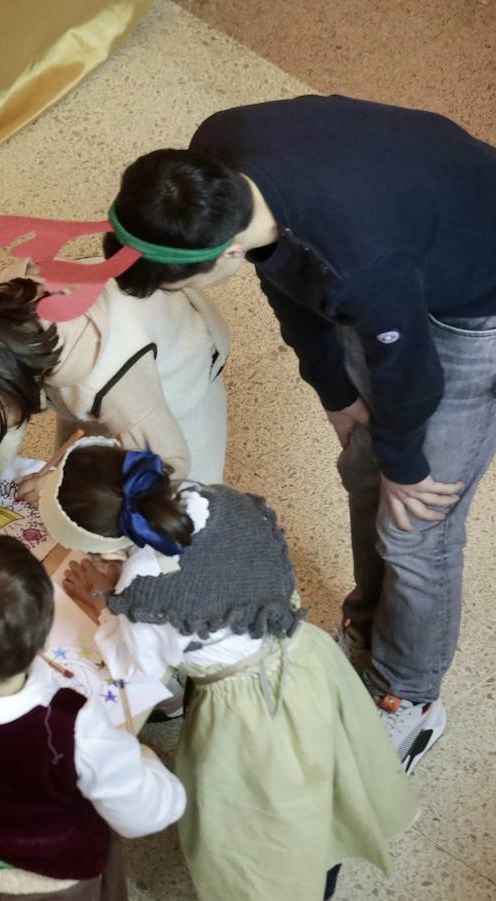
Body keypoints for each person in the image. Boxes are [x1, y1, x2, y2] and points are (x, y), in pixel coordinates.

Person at [107, 96, 496, 767]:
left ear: (224, 251)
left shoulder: (359, 262)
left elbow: (413, 373)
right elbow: (284, 275)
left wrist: (406, 462)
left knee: (418, 525)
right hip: (402, 240)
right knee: (362, 465)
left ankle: (410, 697)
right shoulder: (217, 155)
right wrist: (335, 390)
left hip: (477, 289)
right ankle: (371, 627)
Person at [46, 437, 416, 900]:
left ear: (103, 550)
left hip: (249, 715)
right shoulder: (210, 499)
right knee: (326, 772)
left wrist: (105, 604)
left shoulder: (144, 595)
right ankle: (326, 861)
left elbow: (133, 667)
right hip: (305, 660)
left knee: (262, 820)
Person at [0, 534, 185, 901]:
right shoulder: (74, 725)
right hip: (60, 882)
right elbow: (143, 813)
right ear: (42, 643)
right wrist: (146, 762)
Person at [0, 272, 229, 509]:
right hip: (108, 336)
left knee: (193, 498)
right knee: (83, 438)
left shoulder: (105, 384)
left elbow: (166, 471)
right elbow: (3, 406)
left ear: (2, 390)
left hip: (183, 360)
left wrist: (70, 490)